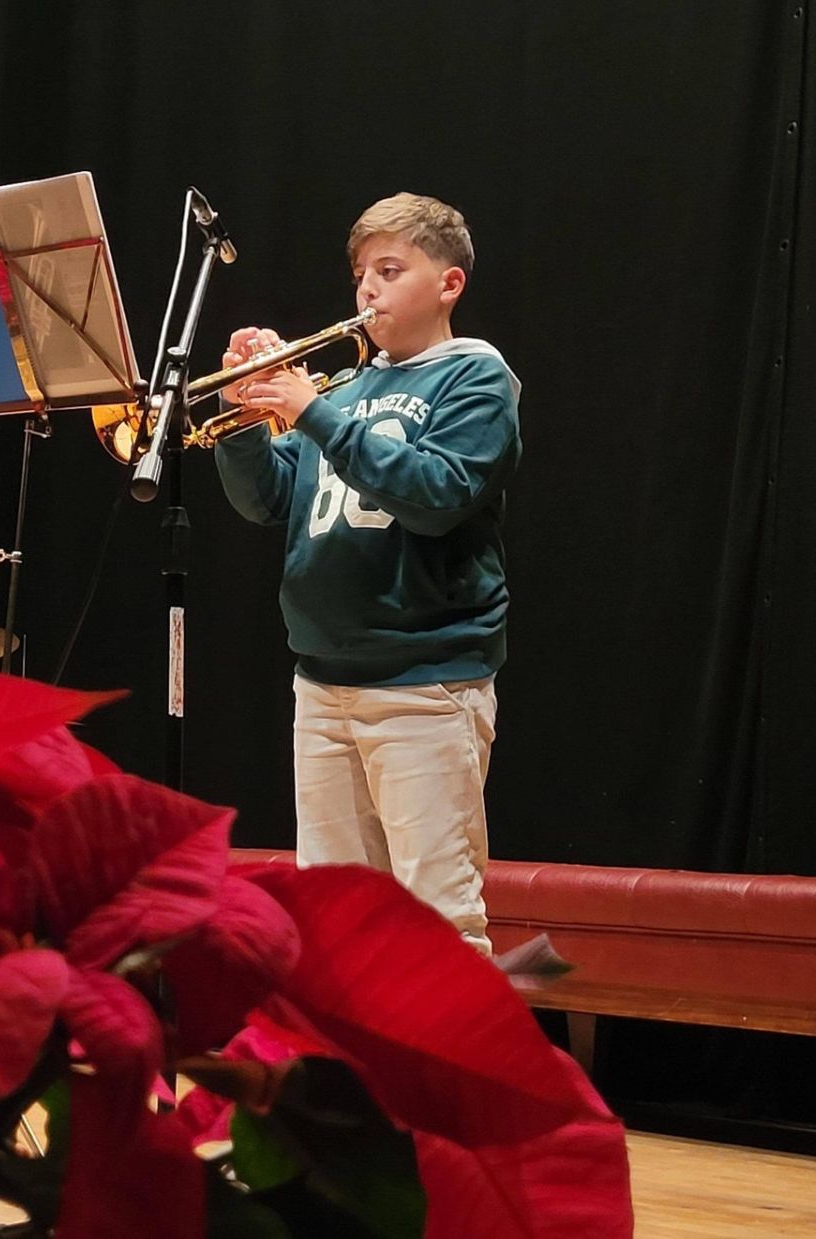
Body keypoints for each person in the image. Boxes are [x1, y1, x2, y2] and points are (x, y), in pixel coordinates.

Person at [216, 192, 521, 955]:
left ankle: (459, 1077)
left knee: (440, 924)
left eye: (390, 270)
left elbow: (435, 497)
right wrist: (245, 420)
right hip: (322, 684)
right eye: (361, 274)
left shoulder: (476, 378)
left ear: (448, 284)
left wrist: (308, 412)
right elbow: (266, 503)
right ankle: (351, 1078)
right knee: (333, 922)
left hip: (424, 684)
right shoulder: (346, 389)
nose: (368, 291)